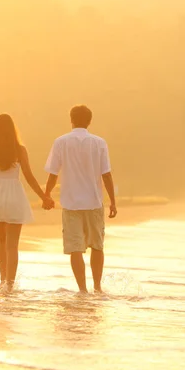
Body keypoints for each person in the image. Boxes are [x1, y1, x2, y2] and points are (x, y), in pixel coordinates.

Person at [0, 113, 55, 291]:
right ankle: (9, 284)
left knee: (1, 240)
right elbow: (29, 176)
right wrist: (44, 197)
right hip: (14, 196)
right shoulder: (19, 150)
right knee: (12, 244)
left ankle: (2, 281)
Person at [44, 105, 117, 293]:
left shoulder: (61, 142)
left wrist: (47, 194)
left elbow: (53, 173)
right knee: (97, 245)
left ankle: (83, 290)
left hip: (71, 203)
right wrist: (113, 201)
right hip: (94, 201)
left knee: (75, 248)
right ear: (89, 121)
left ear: (71, 119)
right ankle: (98, 287)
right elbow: (106, 174)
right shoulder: (99, 143)